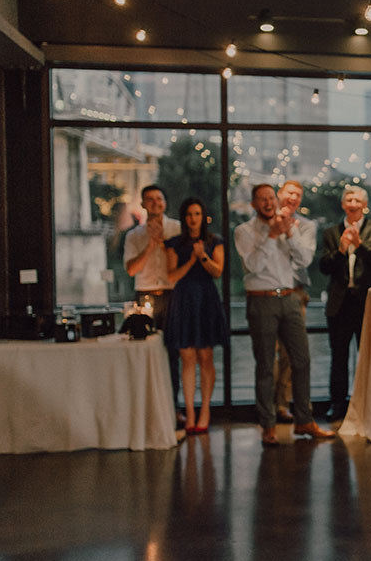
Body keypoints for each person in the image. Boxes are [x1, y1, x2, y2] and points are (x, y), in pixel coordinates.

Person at [235, 184, 335, 446]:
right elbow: (253, 267)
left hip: (290, 298)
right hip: (261, 301)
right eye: (262, 199)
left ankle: (304, 419)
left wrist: (287, 233)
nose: (268, 203)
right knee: (266, 366)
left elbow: (303, 261)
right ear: (254, 204)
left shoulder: (290, 226)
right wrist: (270, 236)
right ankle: (267, 425)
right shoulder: (244, 231)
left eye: (271, 198)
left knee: (301, 361)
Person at [319, 185, 371, 421]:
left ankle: (369, 403)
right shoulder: (331, 232)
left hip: (366, 303)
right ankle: (337, 404)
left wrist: (359, 245)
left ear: (364, 205)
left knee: (368, 356)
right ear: (343, 204)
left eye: (357, 199)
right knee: (338, 357)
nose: (352, 202)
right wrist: (340, 250)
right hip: (339, 304)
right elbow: (323, 267)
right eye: (348, 198)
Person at [164, 197, 227, 434]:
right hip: (183, 299)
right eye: (189, 214)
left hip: (206, 298)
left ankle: (206, 410)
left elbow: (217, 272)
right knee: (187, 357)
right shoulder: (174, 243)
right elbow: (171, 276)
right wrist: (191, 259)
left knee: (206, 356)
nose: (193, 218)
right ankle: (189, 412)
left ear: (203, 217)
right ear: (184, 217)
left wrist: (202, 256)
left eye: (197, 214)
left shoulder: (215, 241)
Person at [123, 184, 183, 416]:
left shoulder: (177, 229)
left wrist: (165, 243)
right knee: (144, 352)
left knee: (173, 352)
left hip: (172, 295)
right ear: (143, 204)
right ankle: (147, 410)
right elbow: (131, 270)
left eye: (159, 199)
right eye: (150, 200)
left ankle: (174, 407)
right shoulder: (134, 235)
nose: (155, 203)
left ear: (165, 202)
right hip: (145, 295)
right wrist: (150, 244)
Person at [271, 180, 315, 423]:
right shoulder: (266, 222)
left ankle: (283, 404)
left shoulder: (306, 226)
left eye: (298, 195)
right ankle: (268, 406)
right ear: (280, 194)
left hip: (296, 293)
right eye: (290, 193)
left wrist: (291, 231)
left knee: (293, 354)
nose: (293, 198)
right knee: (270, 352)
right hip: (269, 292)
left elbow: (303, 260)